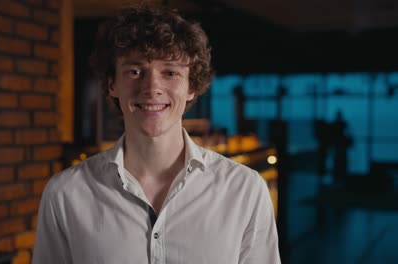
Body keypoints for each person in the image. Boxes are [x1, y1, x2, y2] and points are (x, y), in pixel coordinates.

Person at [32, 6, 280, 264]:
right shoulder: (65, 193)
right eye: (135, 71)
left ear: (192, 86)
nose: (152, 88)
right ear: (111, 84)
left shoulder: (245, 189)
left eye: (170, 72)